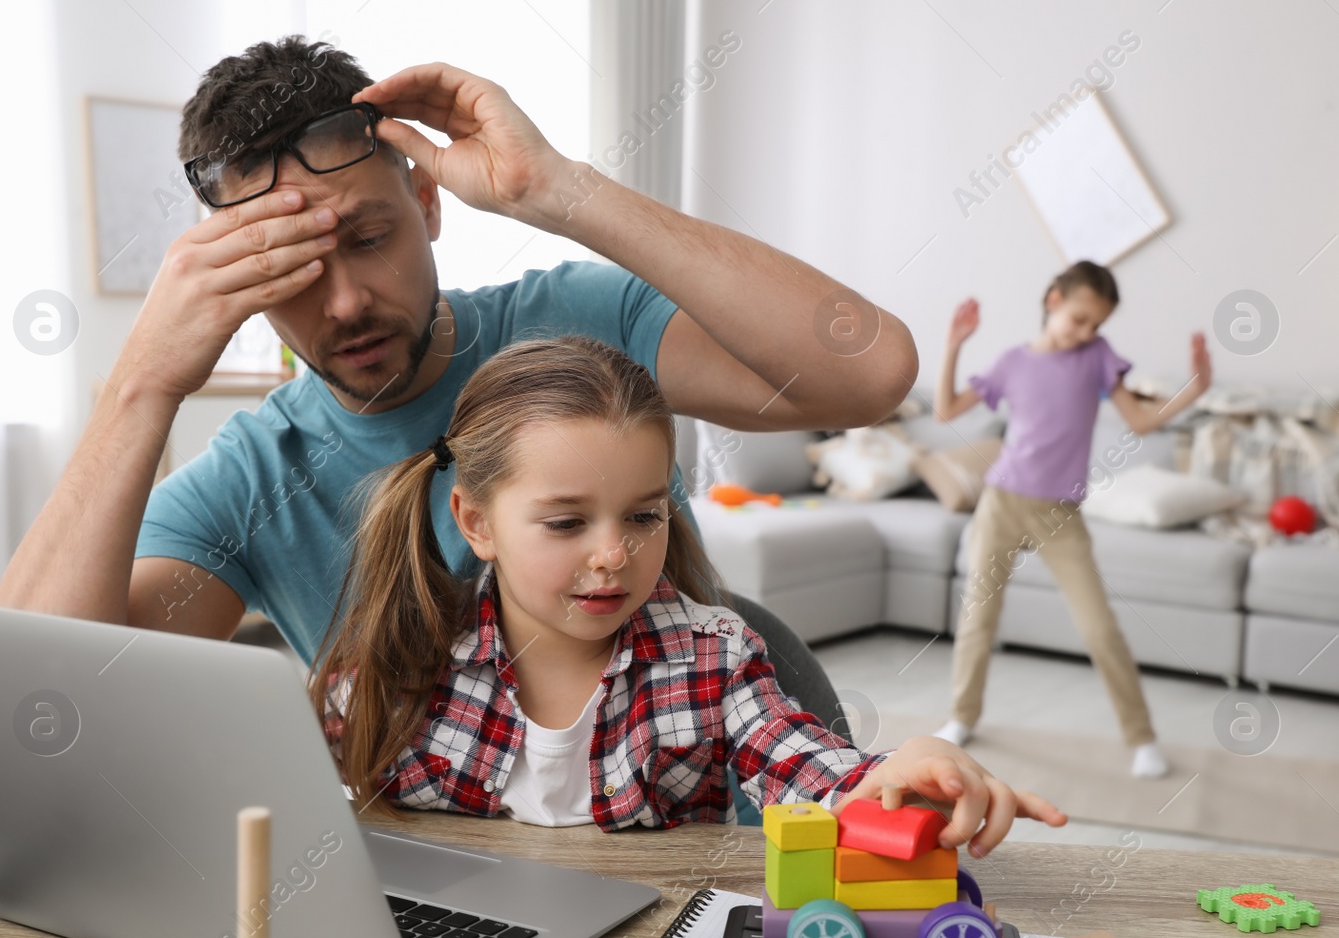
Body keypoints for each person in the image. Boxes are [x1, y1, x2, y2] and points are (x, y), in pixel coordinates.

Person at [0, 37, 918, 728]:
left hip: (683, 821)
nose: (348, 300)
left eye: (367, 238)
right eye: (293, 268)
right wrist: (141, 384)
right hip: (461, 865)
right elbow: (39, 702)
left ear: (428, 204)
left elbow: (869, 373)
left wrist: (561, 191)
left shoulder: (581, 321)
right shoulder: (253, 479)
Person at [316, 334, 1067, 850]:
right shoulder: (400, 654)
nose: (614, 553)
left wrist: (893, 777)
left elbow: (805, 766)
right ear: (476, 521)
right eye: (568, 521)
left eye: (645, 516)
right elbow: (294, 799)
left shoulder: (713, 656)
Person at [933, 261, 1213, 778]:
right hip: (1002, 502)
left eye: (1096, 325)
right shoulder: (1012, 362)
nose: (1086, 332)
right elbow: (946, 410)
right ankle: (961, 717)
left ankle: (1142, 738)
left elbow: (1140, 421)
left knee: (1099, 629)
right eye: (1080, 318)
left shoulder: (1096, 359)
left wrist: (1194, 389)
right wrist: (954, 344)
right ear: (1054, 299)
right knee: (977, 619)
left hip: (1059, 514)